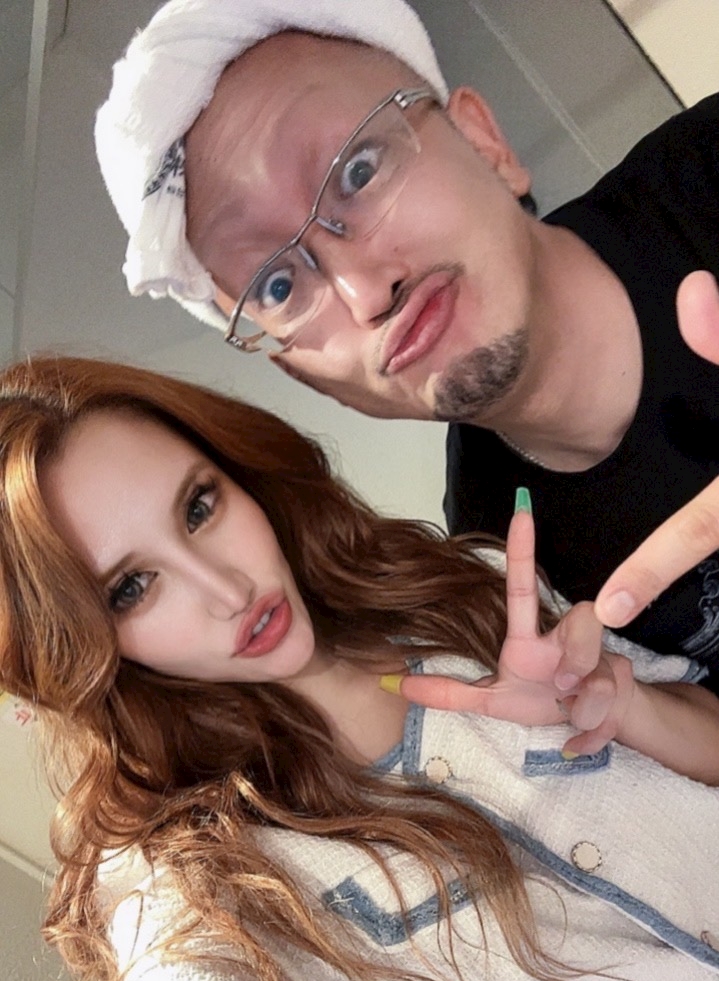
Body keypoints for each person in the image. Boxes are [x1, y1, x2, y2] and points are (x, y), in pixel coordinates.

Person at [2, 356, 719, 981]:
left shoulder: (463, 589)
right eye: (131, 589)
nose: (225, 589)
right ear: (82, 648)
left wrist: (620, 707)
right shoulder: (191, 860)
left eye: (198, 507)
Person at [93, 0, 719, 688]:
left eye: (358, 172)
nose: (367, 291)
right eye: (278, 285)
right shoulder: (505, 568)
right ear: (305, 376)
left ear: (483, 141)